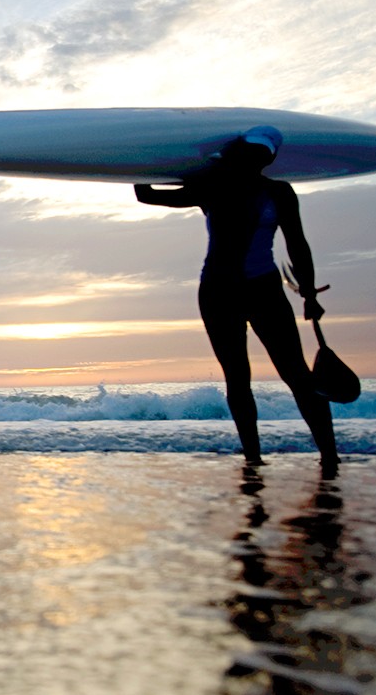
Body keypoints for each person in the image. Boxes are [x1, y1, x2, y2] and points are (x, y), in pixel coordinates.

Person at [135, 126, 338, 470]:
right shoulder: (213, 186)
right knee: (239, 376)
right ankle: (255, 459)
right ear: (241, 152)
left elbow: (297, 243)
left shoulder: (272, 192)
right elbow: (148, 196)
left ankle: (327, 456)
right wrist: (133, 163)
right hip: (220, 292)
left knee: (296, 374)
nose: (254, 157)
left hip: (261, 289)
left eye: (261, 153)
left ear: (268, 158)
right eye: (250, 151)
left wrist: (308, 291)